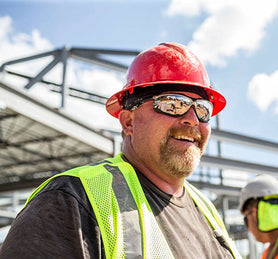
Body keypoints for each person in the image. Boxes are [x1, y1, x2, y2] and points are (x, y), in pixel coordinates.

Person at [0, 42, 241, 259]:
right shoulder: (71, 201)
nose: (192, 119)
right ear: (128, 122)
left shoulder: (206, 210)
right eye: (173, 103)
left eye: (203, 109)